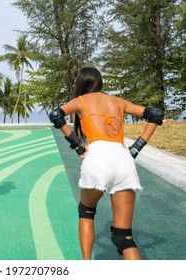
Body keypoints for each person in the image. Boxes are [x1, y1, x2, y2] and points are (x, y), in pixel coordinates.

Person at [49, 66, 163, 260]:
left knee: (86, 211)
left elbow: (55, 115)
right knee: (124, 238)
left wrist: (77, 145)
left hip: (98, 158)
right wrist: (136, 148)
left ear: (81, 83)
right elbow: (156, 115)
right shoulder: (118, 101)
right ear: (100, 82)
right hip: (123, 159)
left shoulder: (81, 101)